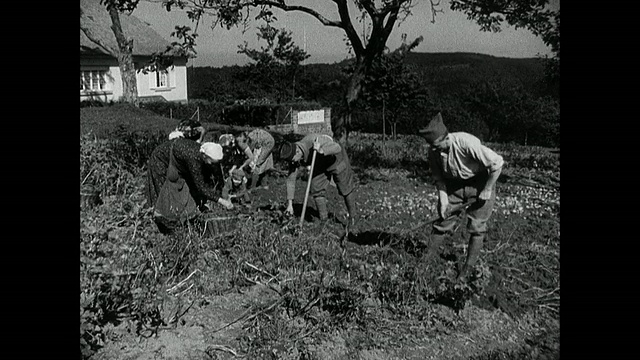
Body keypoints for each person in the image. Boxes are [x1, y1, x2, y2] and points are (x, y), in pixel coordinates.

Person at [419, 112, 504, 280]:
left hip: (480, 182)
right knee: (442, 222)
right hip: (455, 186)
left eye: (437, 145)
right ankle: (425, 263)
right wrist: (443, 200)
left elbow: (497, 163)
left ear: (446, 137)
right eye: (432, 146)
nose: (434, 149)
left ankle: (467, 269)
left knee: (477, 228)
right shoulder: (434, 151)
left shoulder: (466, 143)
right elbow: (439, 178)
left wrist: (487, 188)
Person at [278, 133, 358, 232]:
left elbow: (337, 148)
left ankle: (353, 219)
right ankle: (324, 220)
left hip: (334, 157)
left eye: (293, 160)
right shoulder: (293, 155)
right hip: (318, 162)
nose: (293, 163)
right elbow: (290, 179)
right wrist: (290, 204)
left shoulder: (314, 140)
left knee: (345, 187)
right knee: (316, 187)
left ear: (298, 151)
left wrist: (321, 150)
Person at [146, 138, 234, 220]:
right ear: (204, 156)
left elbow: (206, 179)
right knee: (162, 192)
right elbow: (200, 186)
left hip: (177, 160)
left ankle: (181, 214)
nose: (211, 164)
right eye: (211, 161)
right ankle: (158, 222)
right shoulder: (193, 158)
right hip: (160, 159)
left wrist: (222, 194)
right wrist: (223, 202)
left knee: (185, 190)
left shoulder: (202, 156)